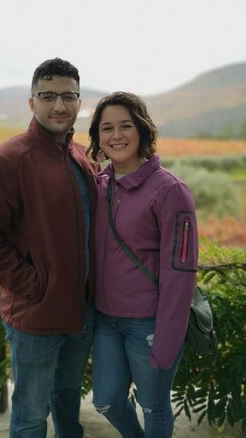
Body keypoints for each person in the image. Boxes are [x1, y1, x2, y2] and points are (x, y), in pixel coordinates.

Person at [0, 58, 97, 438]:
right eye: (48, 96)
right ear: (31, 102)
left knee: (68, 398)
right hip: (36, 317)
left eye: (68, 97)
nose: (59, 106)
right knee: (31, 415)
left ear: (79, 101)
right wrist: (37, 284)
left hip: (82, 312)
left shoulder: (82, 156)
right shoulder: (7, 161)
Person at [87, 92, 197, 437]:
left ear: (143, 131)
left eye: (125, 126)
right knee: (104, 400)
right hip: (106, 319)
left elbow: (181, 274)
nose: (116, 135)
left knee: (154, 406)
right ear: (98, 138)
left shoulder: (170, 191)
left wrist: (167, 341)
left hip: (148, 324)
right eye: (107, 128)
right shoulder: (100, 185)